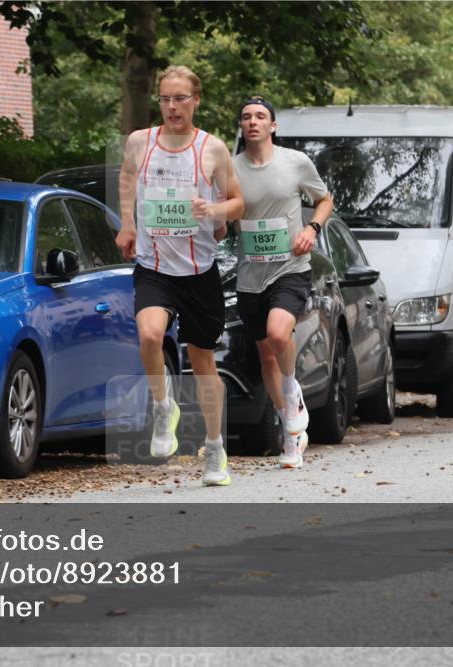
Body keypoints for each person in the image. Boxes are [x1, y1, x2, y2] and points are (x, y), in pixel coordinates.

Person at [116, 65, 244, 487]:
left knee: (203, 362)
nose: (172, 107)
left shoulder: (213, 149)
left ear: (196, 101)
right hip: (154, 266)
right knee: (150, 334)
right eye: (166, 98)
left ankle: (215, 449)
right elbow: (128, 177)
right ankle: (163, 407)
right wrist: (128, 224)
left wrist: (215, 211)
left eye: (180, 98)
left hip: (198, 271)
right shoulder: (141, 141)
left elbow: (238, 203)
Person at [233, 96, 334, 468]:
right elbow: (222, 215)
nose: (253, 122)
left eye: (261, 116)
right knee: (266, 356)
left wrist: (312, 227)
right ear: (241, 127)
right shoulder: (230, 169)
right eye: (246, 117)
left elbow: (325, 200)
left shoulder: (295, 162)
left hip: (290, 268)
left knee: (279, 336)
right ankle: (291, 434)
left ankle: (293, 396)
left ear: (273, 125)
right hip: (250, 275)